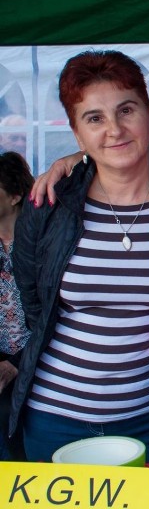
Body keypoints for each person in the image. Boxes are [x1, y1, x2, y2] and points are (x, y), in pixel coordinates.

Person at [10, 50, 149, 463]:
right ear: (77, 133)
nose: (114, 129)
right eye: (94, 118)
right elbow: (33, 301)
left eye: (126, 110)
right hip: (54, 415)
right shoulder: (48, 204)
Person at [0, 152, 34, 461]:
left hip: (37, 366)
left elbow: (55, 312)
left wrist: (17, 362)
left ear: (15, 195)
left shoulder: (40, 240)